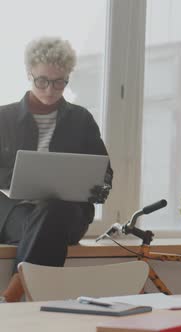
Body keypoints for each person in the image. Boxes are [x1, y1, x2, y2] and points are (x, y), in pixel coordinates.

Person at [0, 37, 113, 302]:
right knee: (45, 218)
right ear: (29, 75)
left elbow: (105, 171)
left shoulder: (81, 119)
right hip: (15, 213)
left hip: (67, 214)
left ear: (67, 78)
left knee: (54, 210)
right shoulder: (3, 118)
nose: (50, 90)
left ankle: (12, 294)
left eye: (59, 82)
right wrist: (17, 178)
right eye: (42, 81)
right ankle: (25, 295)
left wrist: (99, 188)